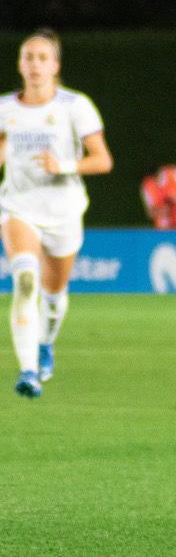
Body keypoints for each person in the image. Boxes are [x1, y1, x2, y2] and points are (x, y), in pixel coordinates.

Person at [0, 29, 113, 398]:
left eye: (42, 58)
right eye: (28, 57)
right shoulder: (5, 109)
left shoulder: (74, 106)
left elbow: (103, 160)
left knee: (54, 294)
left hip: (64, 211)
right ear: (19, 64)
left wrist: (61, 165)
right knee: (24, 282)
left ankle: (45, 344)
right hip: (18, 208)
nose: (34, 64)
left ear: (55, 66)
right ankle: (28, 371)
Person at [140, 164, 176, 229]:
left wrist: (174, 197)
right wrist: (164, 209)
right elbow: (149, 213)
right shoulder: (147, 184)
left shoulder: (173, 172)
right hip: (166, 227)